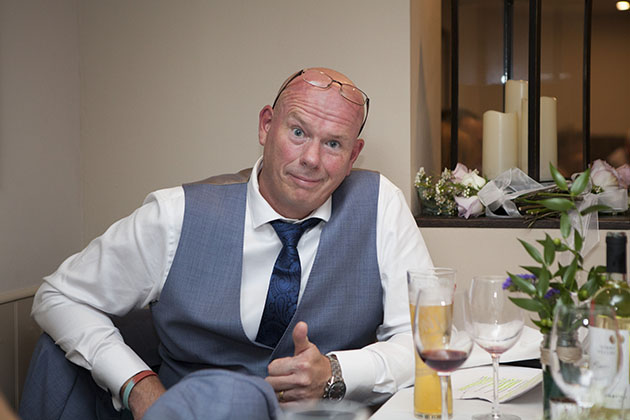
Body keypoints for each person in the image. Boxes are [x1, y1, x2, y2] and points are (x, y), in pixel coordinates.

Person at [20, 67, 432, 420]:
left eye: (333, 144)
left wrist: (337, 373)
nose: (311, 158)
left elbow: (425, 343)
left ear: (354, 154)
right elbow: (59, 296)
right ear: (266, 125)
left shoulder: (380, 206)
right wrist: (140, 386)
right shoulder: (176, 213)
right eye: (298, 131)